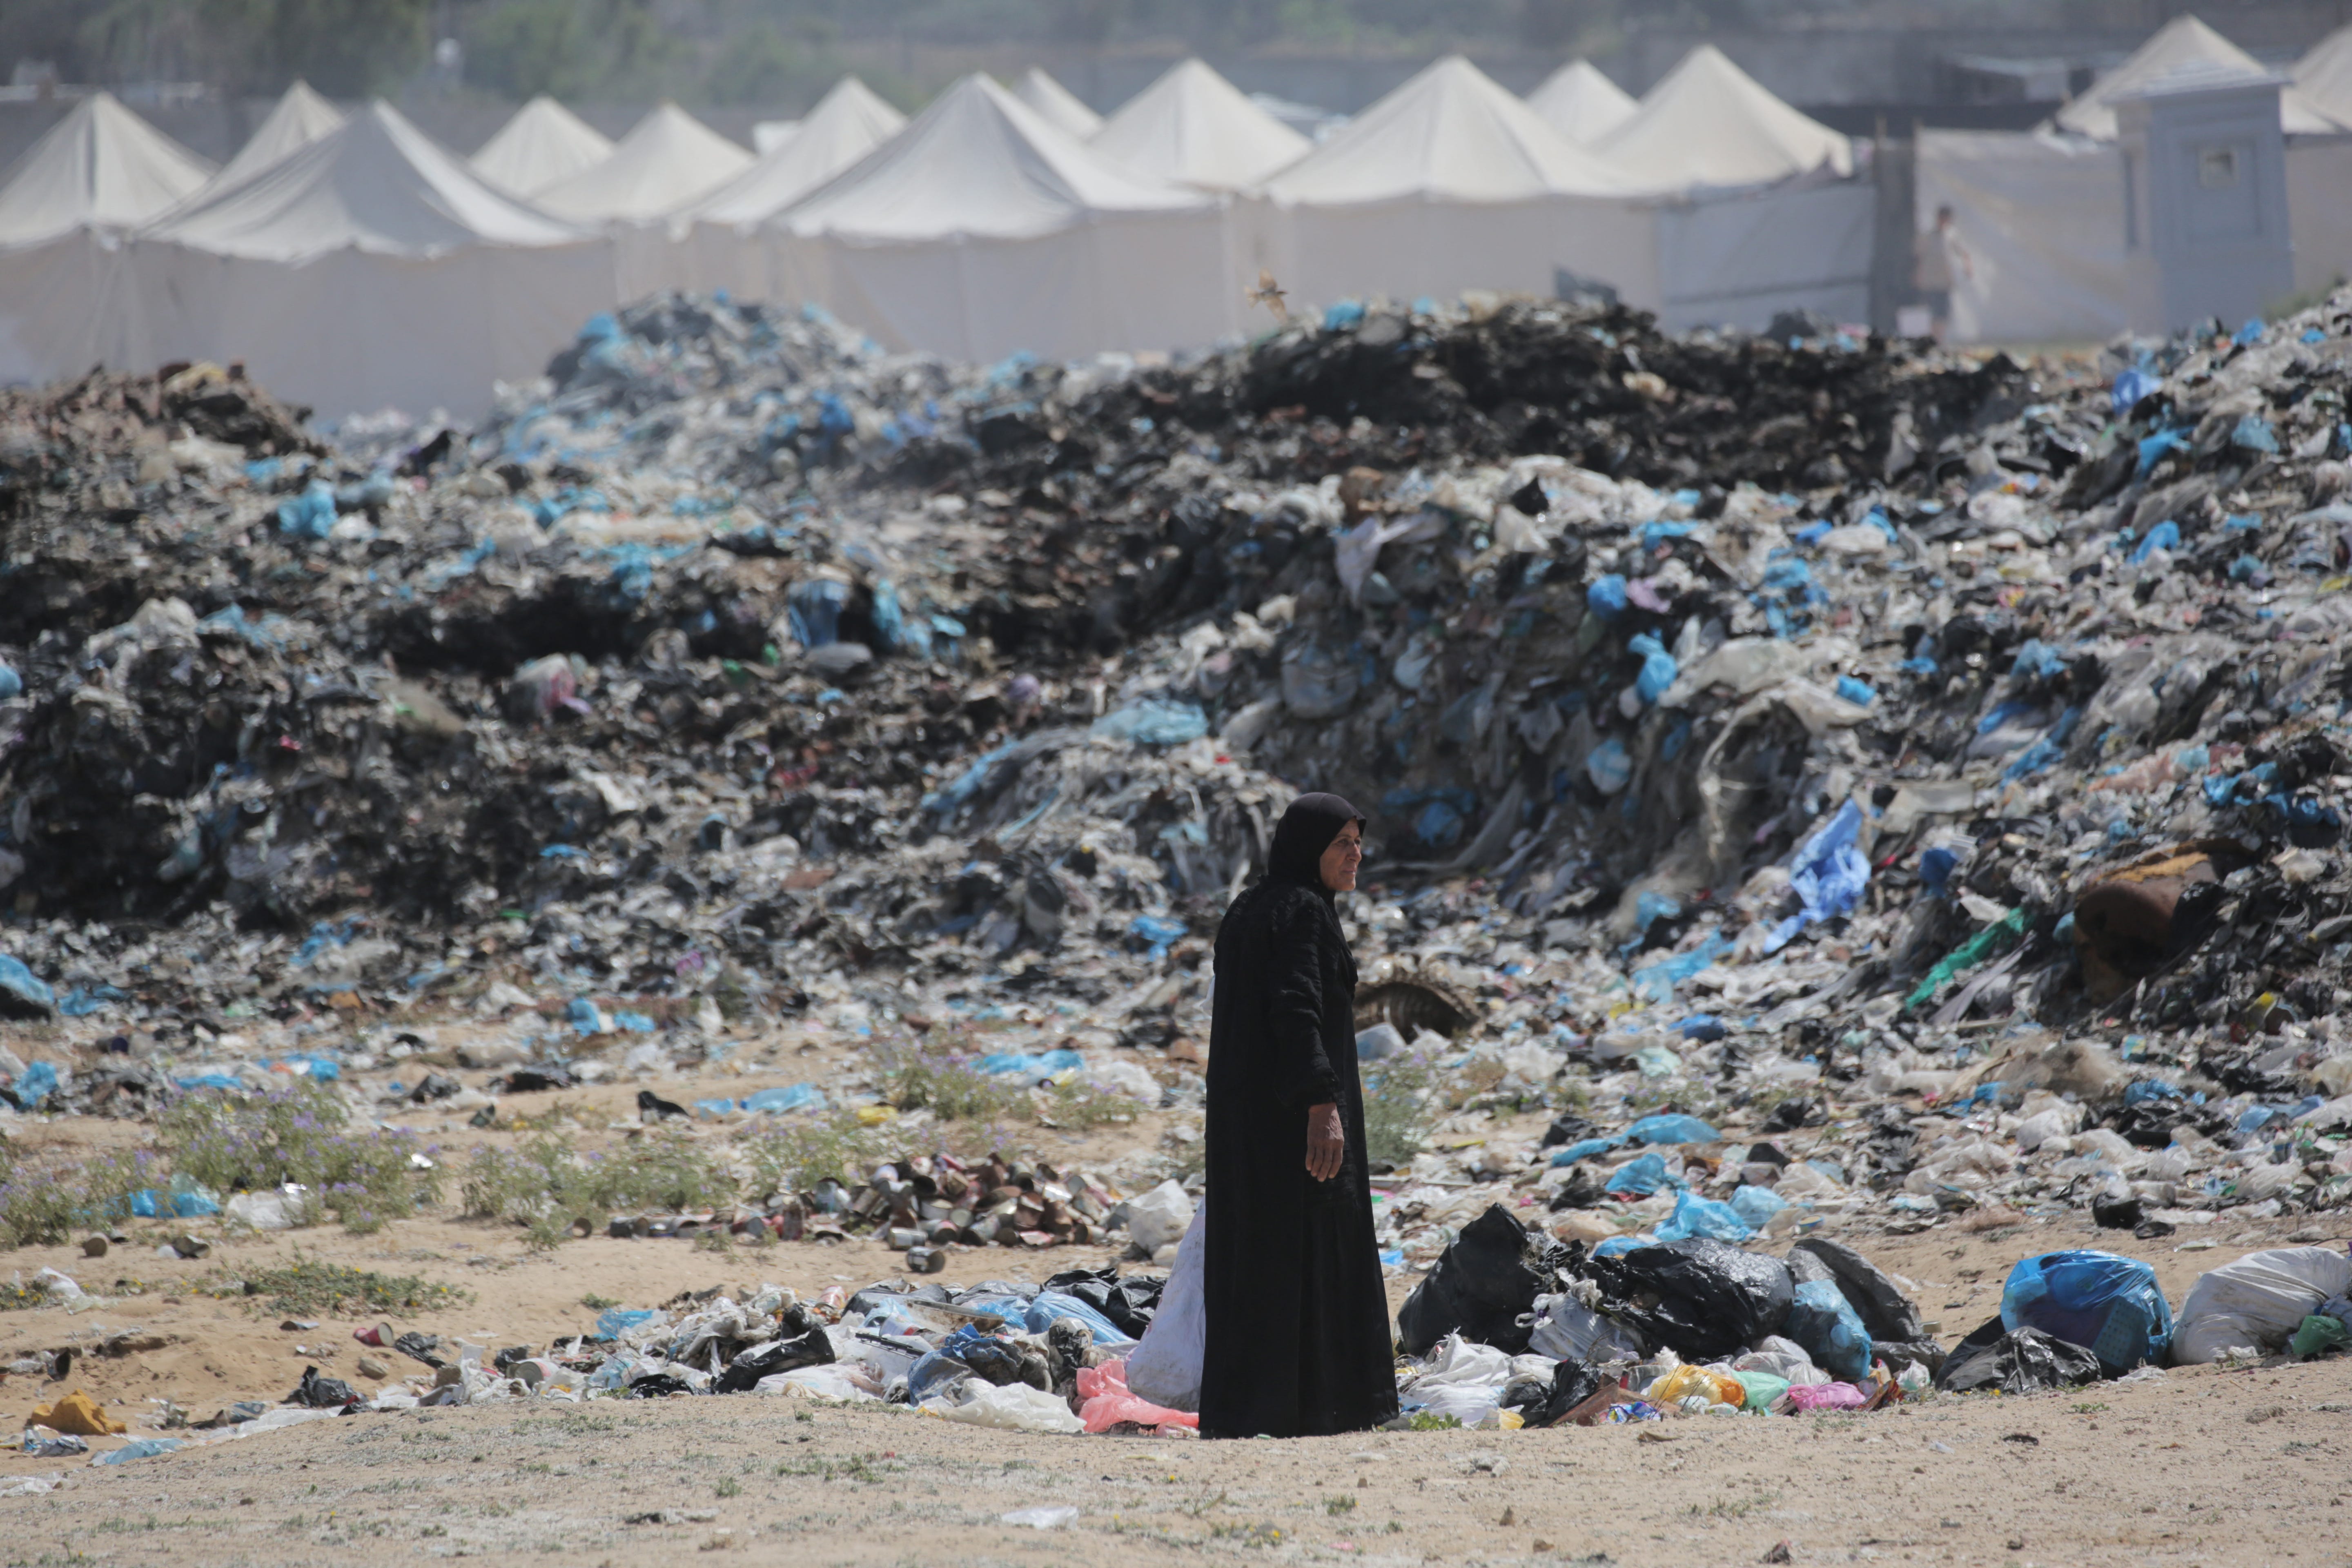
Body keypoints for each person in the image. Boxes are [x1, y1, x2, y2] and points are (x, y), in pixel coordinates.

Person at [1197, 792, 1398, 1438]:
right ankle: (1326, 1407)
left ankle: (1249, 1410)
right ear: (1308, 849)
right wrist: (1322, 1105)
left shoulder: (1249, 909)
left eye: (1357, 841)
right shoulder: (1304, 913)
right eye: (1341, 842)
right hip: (1294, 1123)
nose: (1355, 854)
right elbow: (1296, 1009)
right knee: (1315, 1250)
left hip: (1244, 1125)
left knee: (1255, 1256)